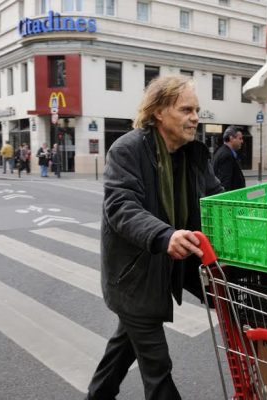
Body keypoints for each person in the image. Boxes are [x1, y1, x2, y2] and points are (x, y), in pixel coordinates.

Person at [85, 75, 223, 400]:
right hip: (135, 277)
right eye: (186, 109)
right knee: (157, 367)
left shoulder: (193, 154)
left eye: (197, 110)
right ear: (160, 111)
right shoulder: (128, 150)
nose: (195, 117)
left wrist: (249, 216)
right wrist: (165, 235)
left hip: (170, 267)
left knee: (125, 345)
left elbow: (216, 199)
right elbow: (121, 207)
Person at [213, 125, 246, 191]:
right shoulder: (227, 156)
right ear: (231, 138)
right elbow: (225, 183)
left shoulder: (222, 151)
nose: (242, 141)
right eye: (240, 138)